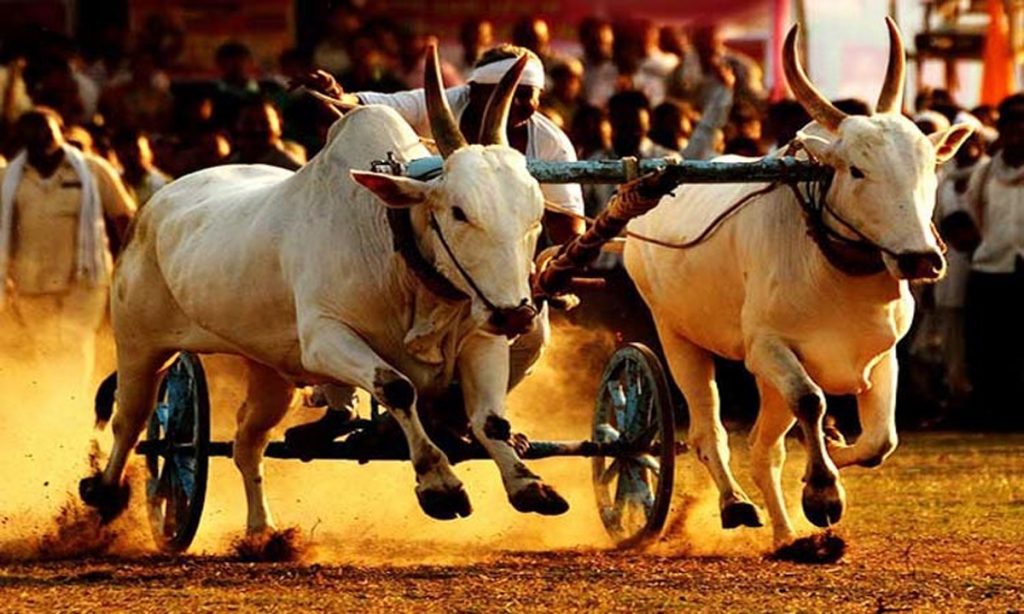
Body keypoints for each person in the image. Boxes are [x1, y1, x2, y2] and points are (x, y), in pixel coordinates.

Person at [288, 45, 586, 444]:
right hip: (418, 258)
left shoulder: (550, 144)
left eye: (526, 95)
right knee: (343, 298)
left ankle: (467, 414)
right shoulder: (443, 103)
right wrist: (338, 93)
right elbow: (372, 106)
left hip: (502, 268)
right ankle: (343, 406)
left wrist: (553, 271)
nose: (517, 105)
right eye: (503, 93)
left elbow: (568, 225)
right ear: (474, 90)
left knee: (531, 336)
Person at [0, 108, 135, 392]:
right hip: (31, 282)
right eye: (31, 134)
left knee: (75, 341)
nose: (39, 139)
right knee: (46, 349)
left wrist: (131, 267)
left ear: (61, 131)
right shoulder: (7, 178)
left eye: (45, 131)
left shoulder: (93, 169)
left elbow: (125, 219)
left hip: (86, 278)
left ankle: (74, 406)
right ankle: (54, 409)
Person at [963, 94, 1024, 427]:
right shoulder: (985, 173)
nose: (1017, 129)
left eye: (1022, 122)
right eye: (1011, 122)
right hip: (991, 269)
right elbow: (976, 212)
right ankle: (994, 413)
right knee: (991, 348)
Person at [227, 99, 305, 170]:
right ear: (236, 125)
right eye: (248, 123)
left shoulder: (293, 169)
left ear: (280, 126)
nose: (257, 129)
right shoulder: (227, 167)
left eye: (265, 123)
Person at [112, 129, 171, 206]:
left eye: (136, 149)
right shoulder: (115, 185)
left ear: (148, 151)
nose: (131, 154)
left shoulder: (162, 185)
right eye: (124, 151)